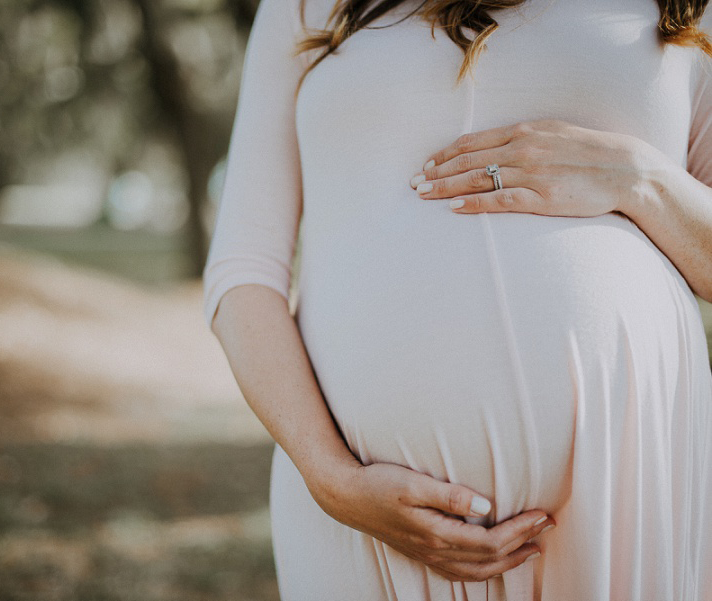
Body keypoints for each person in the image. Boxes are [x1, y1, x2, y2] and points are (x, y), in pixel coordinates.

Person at [202, 0, 712, 598]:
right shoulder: (309, 5)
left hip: (628, 484)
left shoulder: (687, 6)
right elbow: (242, 270)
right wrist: (332, 479)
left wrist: (639, 176)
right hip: (365, 520)